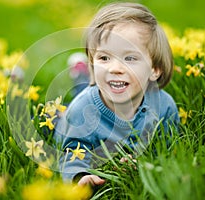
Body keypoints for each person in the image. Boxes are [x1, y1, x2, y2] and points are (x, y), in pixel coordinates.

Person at [54, 2, 179, 188]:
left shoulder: (164, 107)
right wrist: (79, 177)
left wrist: (146, 163)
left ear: (154, 69)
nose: (115, 68)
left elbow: (168, 151)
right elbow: (71, 153)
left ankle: (79, 73)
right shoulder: (81, 111)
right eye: (104, 58)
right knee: (57, 116)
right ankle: (80, 76)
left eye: (130, 58)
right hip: (68, 119)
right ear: (93, 63)